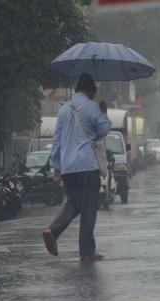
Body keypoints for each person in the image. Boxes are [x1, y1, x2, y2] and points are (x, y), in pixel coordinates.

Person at [42, 73, 111, 261]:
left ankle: (53, 231)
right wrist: (103, 112)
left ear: (77, 88)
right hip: (87, 165)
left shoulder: (64, 109)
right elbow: (103, 130)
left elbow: (57, 139)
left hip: (68, 166)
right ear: (90, 91)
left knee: (73, 203)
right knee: (89, 207)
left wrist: (56, 165)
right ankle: (86, 251)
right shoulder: (92, 107)